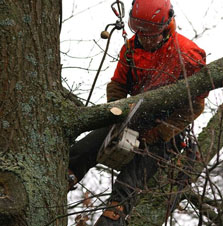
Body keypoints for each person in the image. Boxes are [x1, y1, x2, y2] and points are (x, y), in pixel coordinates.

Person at [68, 0, 208, 225]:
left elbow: (195, 106)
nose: (144, 36)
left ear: (164, 27)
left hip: (166, 130)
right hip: (131, 116)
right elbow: (117, 85)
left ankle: (113, 216)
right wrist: (116, 113)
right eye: (139, 30)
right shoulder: (132, 48)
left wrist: (160, 132)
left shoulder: (188, 55)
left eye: (150, 33)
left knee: (129, 184)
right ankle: (65, 177)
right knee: (81, 151)